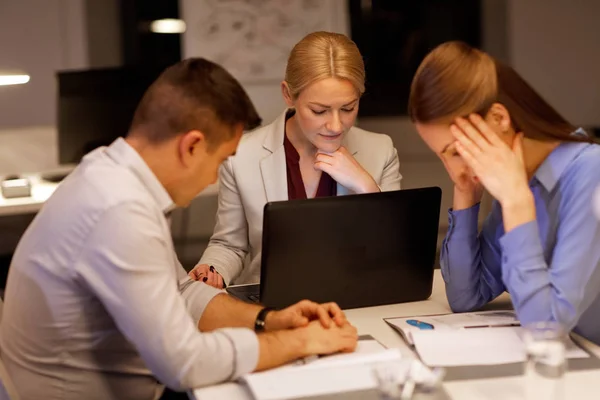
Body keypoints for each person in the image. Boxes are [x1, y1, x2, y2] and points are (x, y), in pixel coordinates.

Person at [0, 58, 358, 400]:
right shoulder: (120, 211)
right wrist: (300, 342)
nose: (214, 177)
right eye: (219, 161)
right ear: (192, 146)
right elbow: (184, 363)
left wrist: (271, 320)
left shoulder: (108, 173)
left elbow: (181, 291)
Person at [408, 41, 600, 343]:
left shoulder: (591, 173)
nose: (453, 169)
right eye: (442, 156)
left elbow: (546, 329)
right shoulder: (522, 177)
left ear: (499, 119)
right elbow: (465, 296)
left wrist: (515, 202)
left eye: (457, 151)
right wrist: (465, 193)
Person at [190, 31, 402, 288]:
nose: (336, 125)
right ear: (288, 95)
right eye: (319, 110)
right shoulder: (242, 156)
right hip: (273, 305)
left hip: (358, 301)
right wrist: (212, 272)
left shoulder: (380, 150)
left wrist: (367, 187)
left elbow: (397, 252)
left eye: (348, 108)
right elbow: (229, 245)